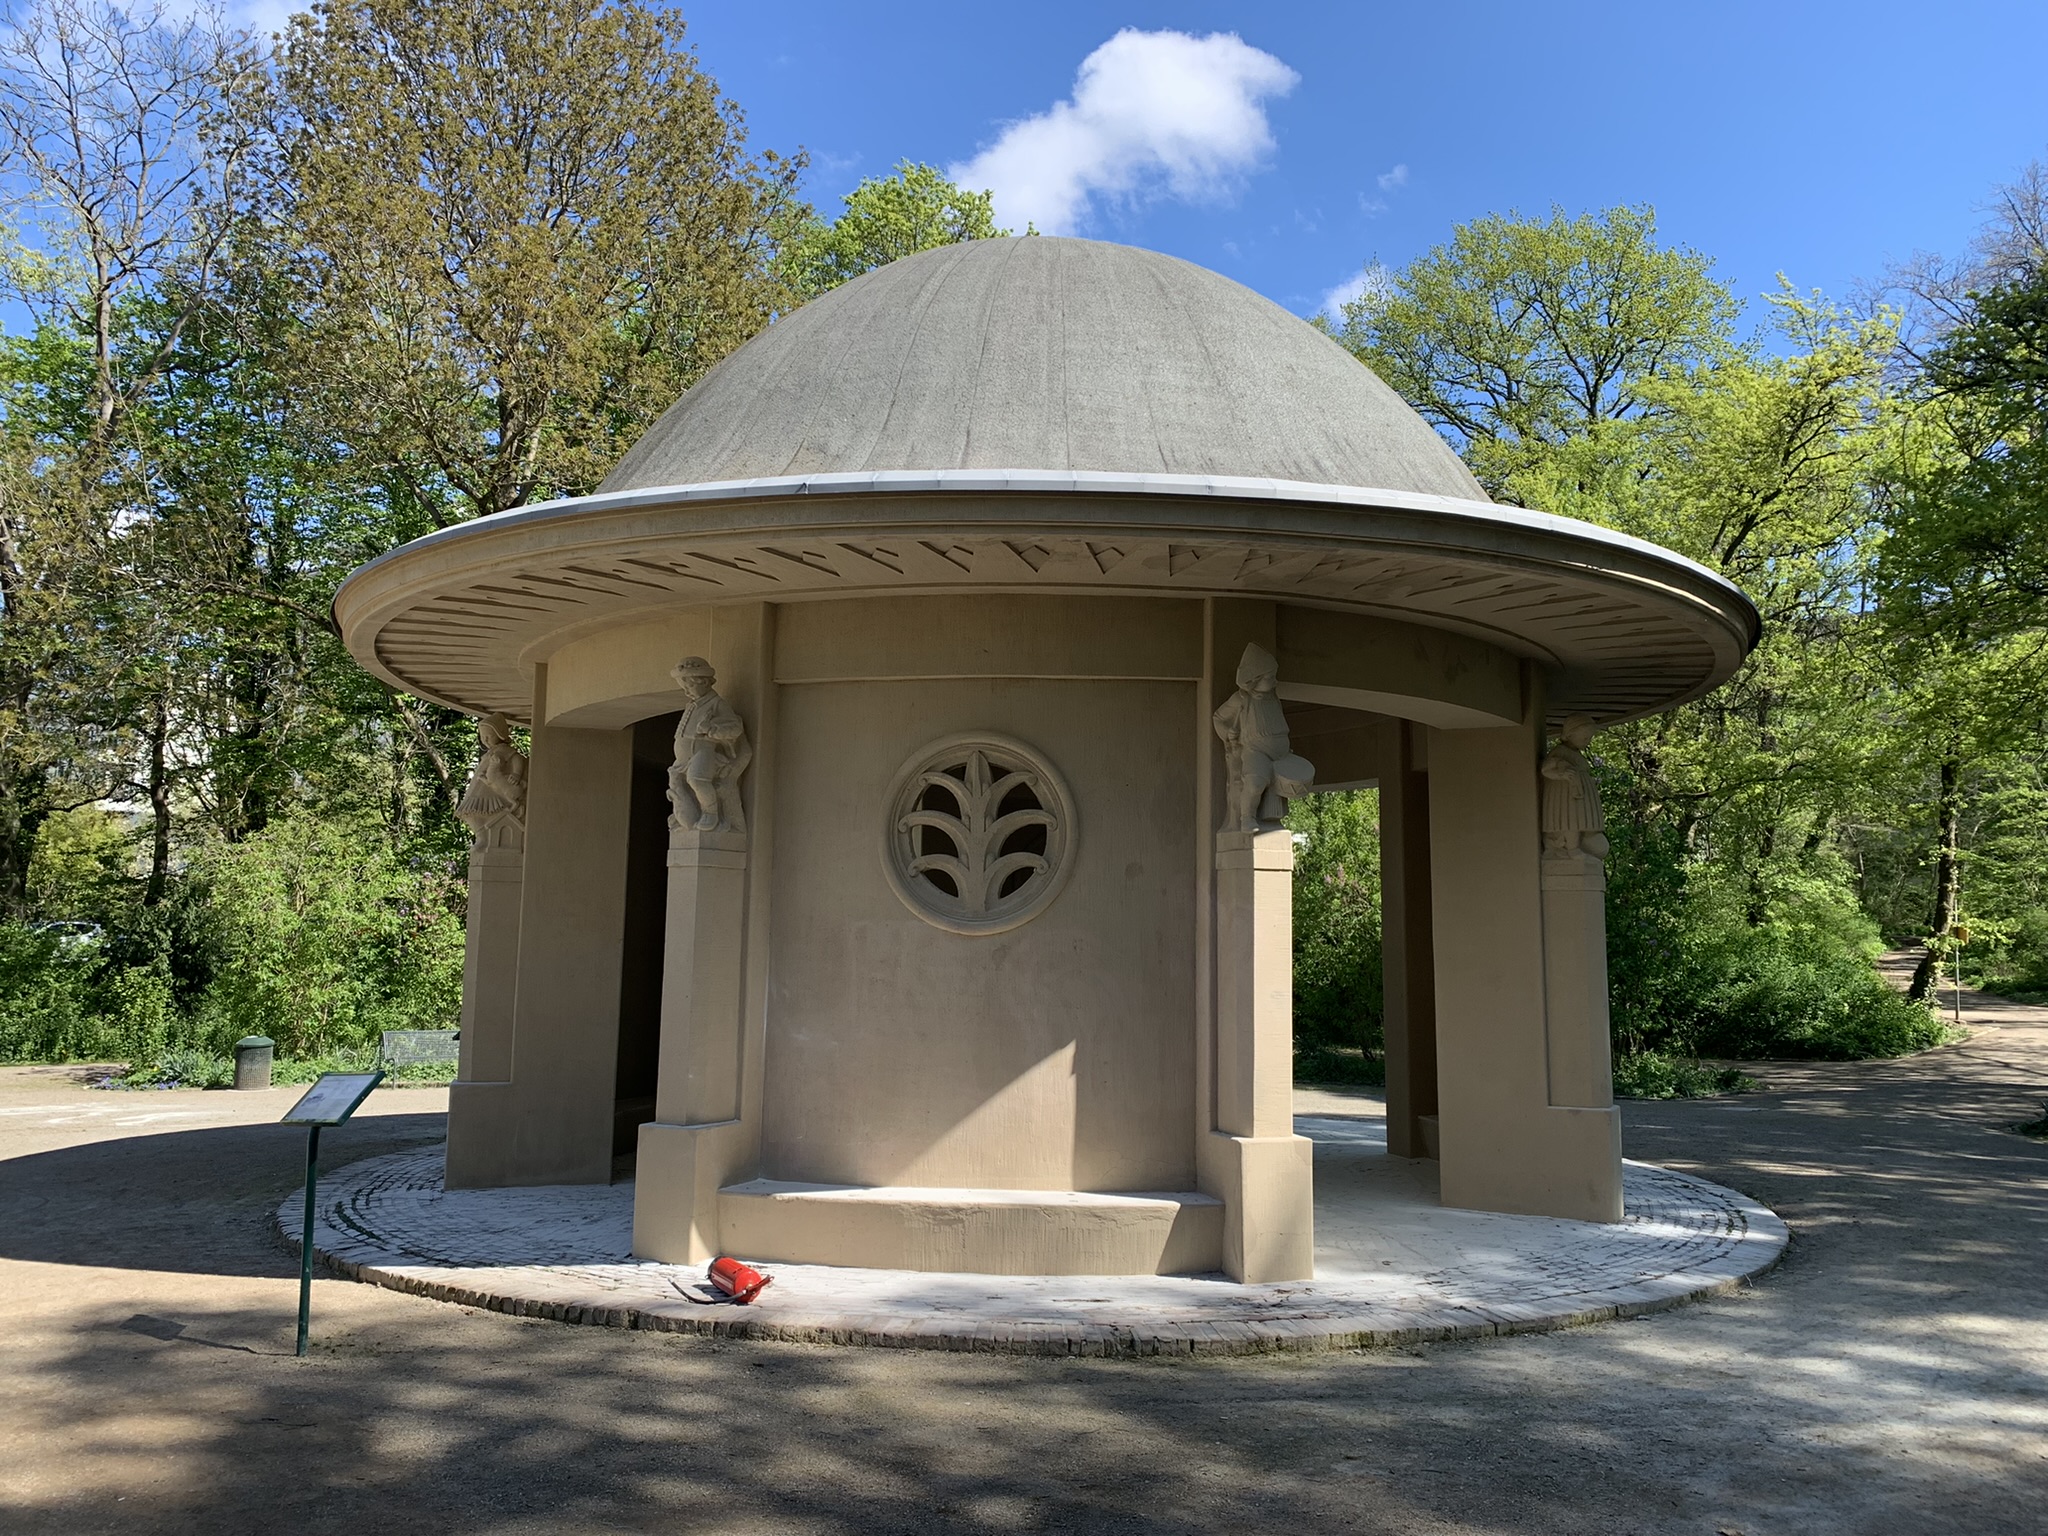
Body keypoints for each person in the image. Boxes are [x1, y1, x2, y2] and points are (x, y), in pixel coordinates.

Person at [1212, 643, 1315, 831]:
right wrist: (1228, 733)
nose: (1275, 682)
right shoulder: (1241, 699)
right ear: (1254, 679)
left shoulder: (1272, 696)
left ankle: (1269, 818)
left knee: (1279, 789)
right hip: (1255, 750)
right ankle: (1247, 817)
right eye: (1270, 678)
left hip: (1280, 751)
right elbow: (1219, 718)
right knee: (1255, 782)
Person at [669, 657, 752, 834]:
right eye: (683, 687)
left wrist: (711, 729)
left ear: (704, 682)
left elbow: (735, 728)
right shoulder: (692, 706)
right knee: (676, 786)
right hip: (683, 759)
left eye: (689, 686)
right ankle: (687, 815)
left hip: (704, 752)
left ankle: (710, 812)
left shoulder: (717, 703)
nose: (686, 691)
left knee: (697, 779)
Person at [1540, 714, 1609, 860]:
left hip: (1577, 797)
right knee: (1570, 821)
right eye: (1584, 737)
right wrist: (1562, 774)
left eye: (1589, 738)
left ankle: (1577, 846)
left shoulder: (1575, 754)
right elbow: (1546, 769)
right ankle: (1571, 849)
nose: (1587, 741)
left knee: (1578, 821)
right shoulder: (1560, 752)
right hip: (1564, 797)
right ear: (1570, 734)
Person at [456, 713, 528, 841]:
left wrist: (516, 774)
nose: (486, 740)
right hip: (482, 788)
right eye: (483, 737)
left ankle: (483, 837)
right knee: (470, 813)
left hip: (491, 791)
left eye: (489, 736)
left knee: (478, 812)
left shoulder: (504, 750)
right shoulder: (492, 752)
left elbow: (518, 759)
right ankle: (481, 836)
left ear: (499, 734)